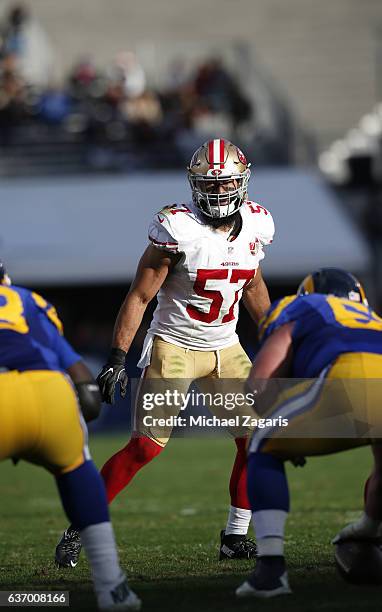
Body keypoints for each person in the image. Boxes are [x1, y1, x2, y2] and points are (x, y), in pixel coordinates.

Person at [55, 138, 275, 567]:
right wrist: (118, 356)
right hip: (175, 345)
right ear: (194, 186)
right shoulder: (177, 229)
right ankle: (79, 526)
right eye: (208, 186)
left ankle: (234, 537)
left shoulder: (257, 224)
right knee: (145, 448)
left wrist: (275, 335)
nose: (217, 194)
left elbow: (253, 285)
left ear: (243, 183)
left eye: (225, 184)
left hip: (226, 346)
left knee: (258, 442)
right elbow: (139, 295)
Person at [0, 262, 141, 611]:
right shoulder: (27, 299)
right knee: (78, 469)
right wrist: (81, 410)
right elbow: (79, 374)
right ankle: (113, 587)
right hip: (49, 392)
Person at [236, 267, 382, 599]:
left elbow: (260, 385)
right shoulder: (373, 318)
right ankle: (368, 532)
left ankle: (270, 572)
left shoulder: (301, 306)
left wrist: (285, 431)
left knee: (261, 441)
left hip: (350, 375)